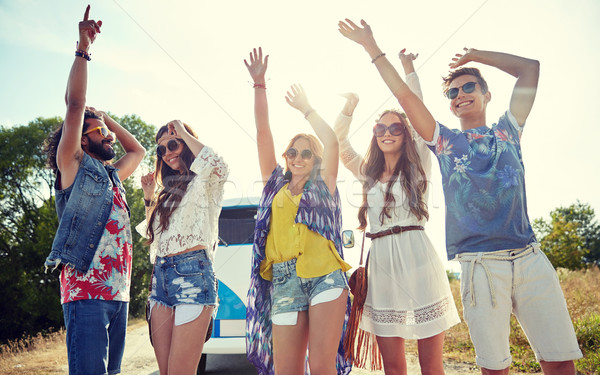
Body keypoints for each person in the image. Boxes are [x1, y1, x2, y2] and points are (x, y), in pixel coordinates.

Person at [338, 18, 582, 375]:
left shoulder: (508, 130)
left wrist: (477, 56)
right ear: (449, 105)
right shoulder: (444, 143)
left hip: (529, 255)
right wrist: (372, 47)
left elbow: (530, 69)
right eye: (453, 92)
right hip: (480, 264)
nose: (460, 94)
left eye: (469, 87)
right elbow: (407, 99)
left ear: (487, 94)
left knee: (559, 361)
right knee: (494, 368)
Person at [333, 49, 460, 375]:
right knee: (393, 366)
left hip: (418, 256)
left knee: (431, 365)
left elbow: (414, 108)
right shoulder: (367, 171)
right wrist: (348, 109)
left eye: (395, 128)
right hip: (383, 263)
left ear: (406, 133)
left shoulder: (419, 159)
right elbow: (338, 142)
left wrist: (408, 68)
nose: (387, 132)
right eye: (380, 129)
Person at [43, 6, 146, 374]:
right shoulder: (72, 167)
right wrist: (83, 49)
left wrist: (107, 117)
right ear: (82, 142)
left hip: (118, 295)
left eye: (106, 130)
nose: (107, 136)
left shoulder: (113, 176)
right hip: (86, 295)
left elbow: (138, 150)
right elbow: (74, 104)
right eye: (99, 132)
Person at [244, 47, 352, 375]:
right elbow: (263, 133)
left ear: (315, 159)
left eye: (306, 152)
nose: (298, 156)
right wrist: (259, 84)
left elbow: (332, 142)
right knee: (286, 371)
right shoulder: (274, 186)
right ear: (286, 156)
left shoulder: (324, 187)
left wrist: (306, 108)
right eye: (292, 151)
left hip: (325, 278)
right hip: (284, 279)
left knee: (321, 368)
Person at [137, 119, 228, 374]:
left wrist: (184, 131)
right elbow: (155, 239)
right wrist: (148, 198)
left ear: (186, 143)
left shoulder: (204, 182)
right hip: (160, 281)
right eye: (160, 150)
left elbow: (219, 165)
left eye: (173, 144)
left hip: (193, 277)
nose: (166, 153)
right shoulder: (166, 192)